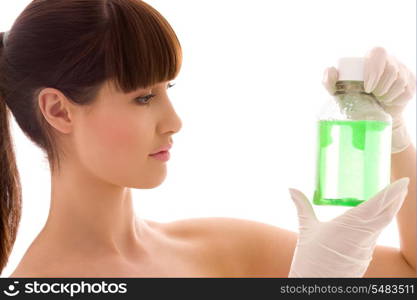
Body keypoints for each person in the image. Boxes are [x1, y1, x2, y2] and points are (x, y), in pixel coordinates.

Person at [0, 0, 415, 278]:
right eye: (143, 97)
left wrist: (395, 135)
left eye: (168, 90)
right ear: (58, 110)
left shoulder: (217, 246)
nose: (174, 121)